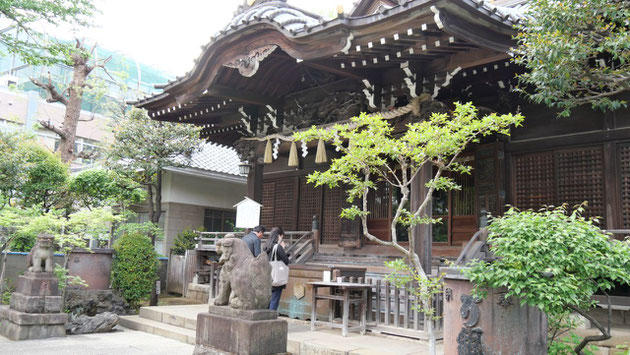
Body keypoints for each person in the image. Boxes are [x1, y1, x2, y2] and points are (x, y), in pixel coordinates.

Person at [264, 226, 289, 311]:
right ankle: (271, 318)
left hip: (267, 275)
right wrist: (283, 248)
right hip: (276, 276)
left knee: (268, 298)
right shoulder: (277, 247)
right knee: (275, 298)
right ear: (279, 236)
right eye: (282, 237)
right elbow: (286, 261)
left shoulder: (266, 246)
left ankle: (265, 316)